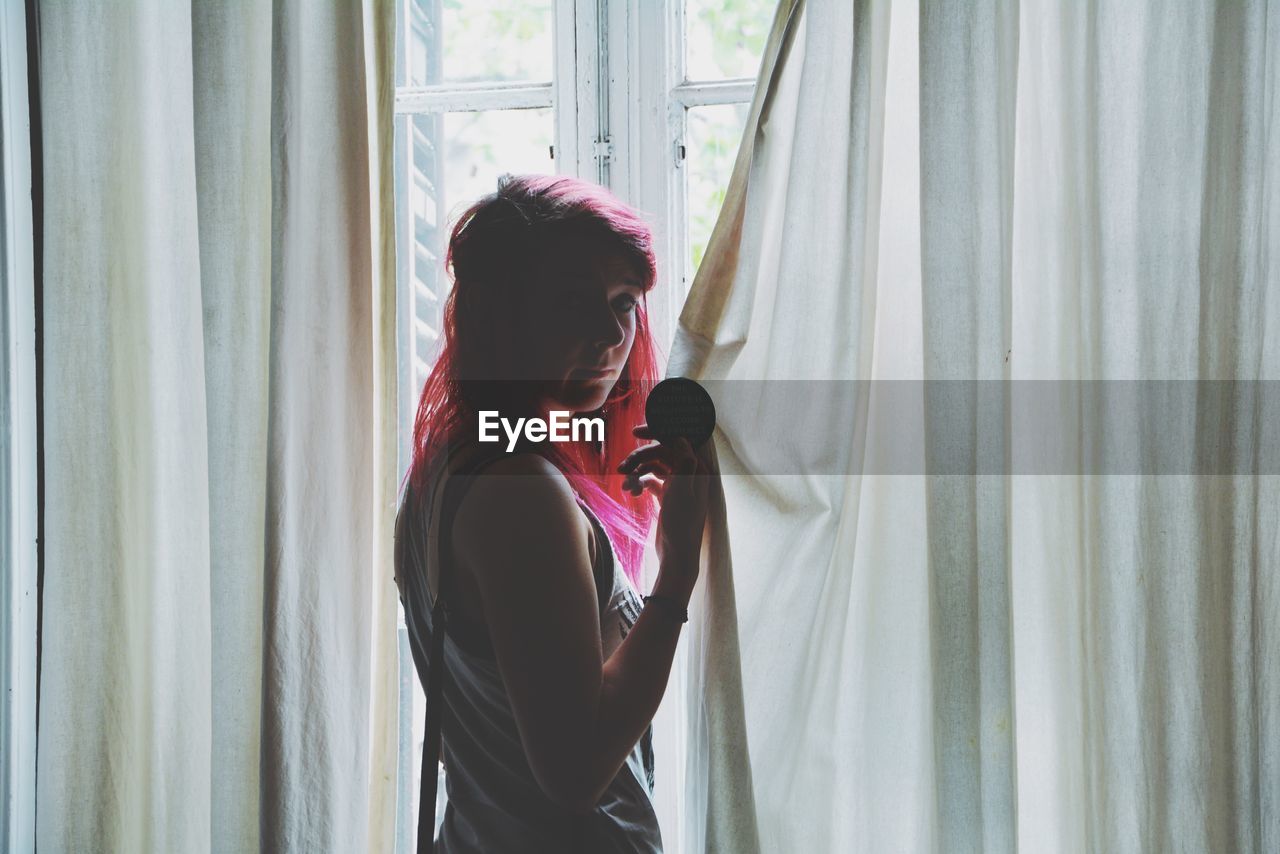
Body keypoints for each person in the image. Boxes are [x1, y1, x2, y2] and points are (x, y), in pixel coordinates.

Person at [393, 174, 718, 852]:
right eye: (573, 302)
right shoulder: (523, 492)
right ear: (501, 313)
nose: (609, 333)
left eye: (624, 301)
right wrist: (679, 568)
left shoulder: (446, 468)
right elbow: (574, 774)